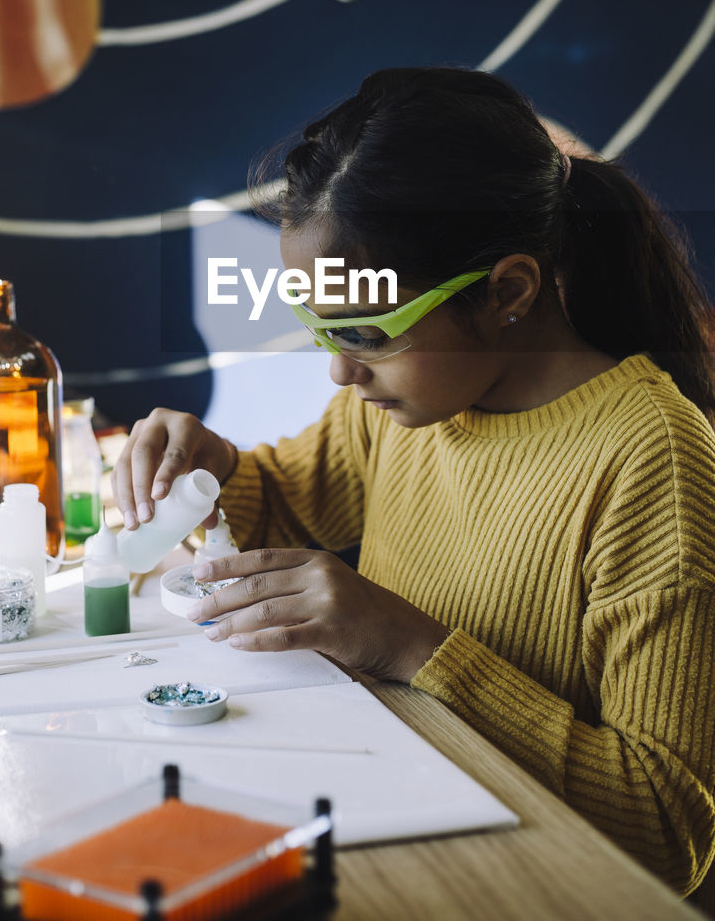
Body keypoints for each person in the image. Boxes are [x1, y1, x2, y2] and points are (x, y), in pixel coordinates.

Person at [112, 66, 715, 896]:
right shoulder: (403, 401)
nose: (339, 372)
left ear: (507, 291)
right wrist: (210, 470)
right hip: (402, 807)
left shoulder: (653, 462)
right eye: (317, 325)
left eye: (363, 329)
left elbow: (668, 830)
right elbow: (283, 500)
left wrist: (410, 644)